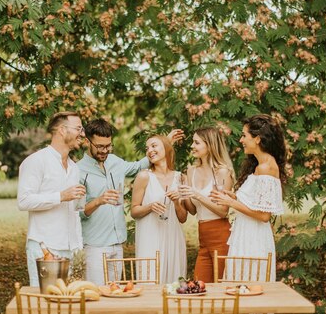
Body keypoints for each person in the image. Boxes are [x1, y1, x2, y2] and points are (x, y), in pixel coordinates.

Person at [78, 119, 184, 285]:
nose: (105, 151)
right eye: (100, 146)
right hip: (95, 245)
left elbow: (140, 165)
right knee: (97, 296)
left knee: (115, 293)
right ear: (87, 141)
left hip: (118, 242)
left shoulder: (114, 161)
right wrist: (99, 201)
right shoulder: (78, 170)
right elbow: (78, 213)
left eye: (108, 145)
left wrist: (166, 142)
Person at [210, 114, 286, 281]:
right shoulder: (260, 166)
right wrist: (233, 197)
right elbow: (255, 203)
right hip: (245, 233)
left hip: (254, 239)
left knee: (250, 287)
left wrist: (231, 203)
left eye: (244, 135)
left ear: (257, 139)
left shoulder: (266, 168)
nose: (241, 140)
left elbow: (264, 216)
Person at [17, 111, 87, 286]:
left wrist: (78, 246)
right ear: (62, 130)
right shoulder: (36, 161)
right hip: (45, 247)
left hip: (72, 249)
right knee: (46, 305)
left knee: (70, 304)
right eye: (79, 128)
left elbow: (74, 211)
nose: (83, 134)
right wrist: (61, 196)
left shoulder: (74, 167)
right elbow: (24, 201)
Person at [178, 127, 234, 283]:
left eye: (197, 142)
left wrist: (196, 194)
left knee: (223, 286)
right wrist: (182, 195)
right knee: (200, 285)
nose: (192, 146)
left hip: (221, 236)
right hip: (202, 238)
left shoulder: (222, 172)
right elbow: (193, 210)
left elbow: (223, 211)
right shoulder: (191, 171)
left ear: (209, 145)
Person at [131, 135, 187, 284]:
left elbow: (183, 218)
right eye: (147, 148)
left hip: (173, 236)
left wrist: (176, 203)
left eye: (154, 146)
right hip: (150, 237)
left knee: (175, 284)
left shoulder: (180, 178)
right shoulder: (144, 176)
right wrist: (150, 207)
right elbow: (134, 211)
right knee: (150, 280)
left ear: (166, 147)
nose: (150, 150)